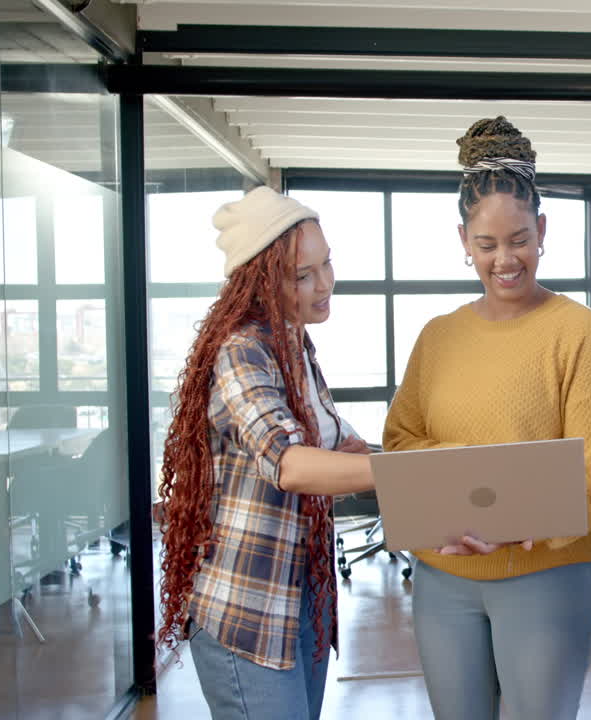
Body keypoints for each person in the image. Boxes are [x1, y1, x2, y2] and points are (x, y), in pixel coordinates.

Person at [382, 116, 591, 720]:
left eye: (518, 239)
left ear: (542, 230)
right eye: (486, 245)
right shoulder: (437, 337)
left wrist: (515, 523)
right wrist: (450, 511)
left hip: (545, 573)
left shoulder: (581, 334)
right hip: (443, 574)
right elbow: (401, 438)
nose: (505, 260)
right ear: (463, 241)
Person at [155, 186, 377, 720]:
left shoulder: (296, 343)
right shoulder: (242, 349)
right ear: (259, 281)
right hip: (248, 609)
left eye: (327, 264)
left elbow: (328, 452)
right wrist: (402, 473)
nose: (325, 284)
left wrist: (361, 456)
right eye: (302, 275)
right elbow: (290, 463)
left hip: (302, 598)